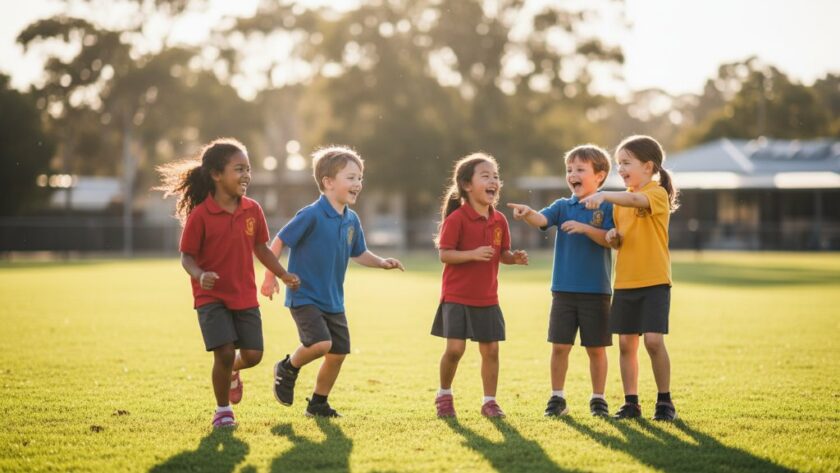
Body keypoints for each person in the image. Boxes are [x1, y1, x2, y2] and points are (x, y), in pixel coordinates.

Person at [156, 138, 300, 428]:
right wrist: (200, 275)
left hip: (243, 294)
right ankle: (223, 411)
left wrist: (282, 274)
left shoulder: (252, 210)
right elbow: (187, 257)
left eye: (248, 169)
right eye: (239, 169)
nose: (246, 175)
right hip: (211, 297)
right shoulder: (200, 215)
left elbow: (260, 248)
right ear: (216, 174)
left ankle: (233, 370)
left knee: (253, 355)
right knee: (222, 353)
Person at [261, 145, 404, 418]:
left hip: (333, 300)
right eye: (350, 177)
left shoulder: (351, 220)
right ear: (328, 182)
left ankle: (317, 404)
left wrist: (382, 262)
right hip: (304, 296)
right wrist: (272, 275)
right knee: (320, 344)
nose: (358, 183)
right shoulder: (311, 214)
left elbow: (359, 252)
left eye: (360, 178)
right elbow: (279, 240)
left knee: (337, 353)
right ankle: (287, 368)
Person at [507, 144, 615, 417]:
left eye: (580, 169)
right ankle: (557, 398)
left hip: (596, 290)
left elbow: (612, 240)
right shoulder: (562, 206)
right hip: (563, 290)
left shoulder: (609, 206)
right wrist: (527, 212)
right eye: (569, 170)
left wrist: (585, 228)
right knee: (560, 346)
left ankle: (598, 399)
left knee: (596, 349)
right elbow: (541, 219)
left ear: (599, 176)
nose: (573, 174)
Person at [580, 135, 680, 421]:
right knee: (626, 344)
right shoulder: (618, 202)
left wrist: (604, 195)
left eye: (626, 163)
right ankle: (631, 402)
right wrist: (612, 236)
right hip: (624, 283)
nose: (620, 169)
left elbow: (637, 199)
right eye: (618, 164)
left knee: (652, 341)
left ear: (648, 166)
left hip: (655, 281)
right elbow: (617, 238)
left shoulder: (656, 193)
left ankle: (664, 401)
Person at [431, 152, 528, 419]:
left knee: (491, 350)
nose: (493, 181)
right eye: (485, 176)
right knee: (455, 350)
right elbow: (445, 254)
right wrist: (472, 254)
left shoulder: (500, 221)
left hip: (487, 297)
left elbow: (502, 254)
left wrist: (513, 259)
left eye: (495, 176)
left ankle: (489, 402)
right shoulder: (457, 219)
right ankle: (444, 395)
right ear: (466, 185)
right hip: (456, 296)